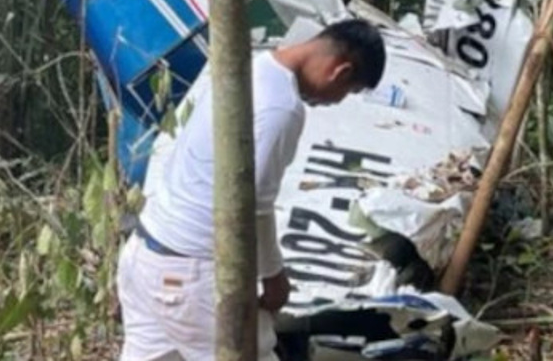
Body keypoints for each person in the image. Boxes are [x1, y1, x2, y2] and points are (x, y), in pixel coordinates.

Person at [119, 20, 388, 361]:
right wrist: (275, 278)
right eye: (347, 93)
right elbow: (250, 209)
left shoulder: (248, 67)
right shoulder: (282, 107)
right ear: (341, 71)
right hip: (191, 274)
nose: (335, 102)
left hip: (146, 254)